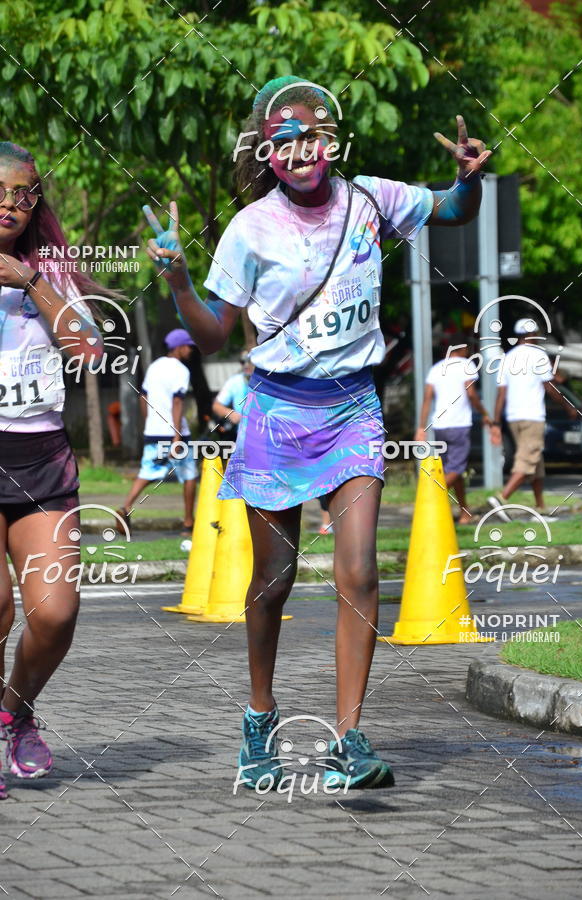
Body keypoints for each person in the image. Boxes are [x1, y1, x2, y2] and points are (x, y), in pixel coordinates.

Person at [143, 76, 491, 789]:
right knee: (272, 582)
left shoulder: (371, 199)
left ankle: (349, 739)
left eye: (314, 137)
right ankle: (259, 718)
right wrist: (178, 280)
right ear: (267, 154)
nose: (302, 152)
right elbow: (210, 335)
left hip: (352, 410)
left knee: (360, 570)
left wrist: (469, 179)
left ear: (330, 141)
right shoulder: (250, 229)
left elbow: (454, 210)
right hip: (276, 415)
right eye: (285, 143)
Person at [0, 142, 105, 798]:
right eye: (1, 191)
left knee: (56, 613)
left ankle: (16, 711)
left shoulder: (52, 269)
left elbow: (91, 350)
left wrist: (28, 282)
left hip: (40, 463)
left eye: (25, 193)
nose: (12, 204)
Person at [489, 318, 577, 520]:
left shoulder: (507, 358)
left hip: (513, 418)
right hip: (532, 416)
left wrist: (496, 422)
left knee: (536, 462)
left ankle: (540, 509)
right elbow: (549, 387)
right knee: (527, 460)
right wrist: (567, 406)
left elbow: (501, 394)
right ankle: (501, 498)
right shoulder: (538, 356)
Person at [116, 329, 198, 536]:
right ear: (179, 347)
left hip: (153, 431)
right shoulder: (181, 370)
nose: (190, 350)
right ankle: (188, 523)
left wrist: (150, 423)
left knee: (147, 472)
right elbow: (177, 401)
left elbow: (143, 397)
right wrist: (176, 435)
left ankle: (125, 508)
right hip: (175, 434)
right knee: (189, 475)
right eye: (188, 346)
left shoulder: (154, 366)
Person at [415, 337, 493, 524]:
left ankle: (465, 513)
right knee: (457, 469)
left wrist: (421, 427)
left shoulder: (436, 369)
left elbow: (427, 399)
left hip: (440, 426)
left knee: (453, 470)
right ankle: (429, 496)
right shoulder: (467, 365)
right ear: (462, 348)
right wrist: (484, 413)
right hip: (459, 425)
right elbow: (472, 394)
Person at [211, 352, 253, 439]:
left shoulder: (268, 381)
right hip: (241, 437)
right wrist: (229, 413)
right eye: (242, 362)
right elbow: (216, 406)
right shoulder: (234, 381)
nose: (246, 365)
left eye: (249, 361)